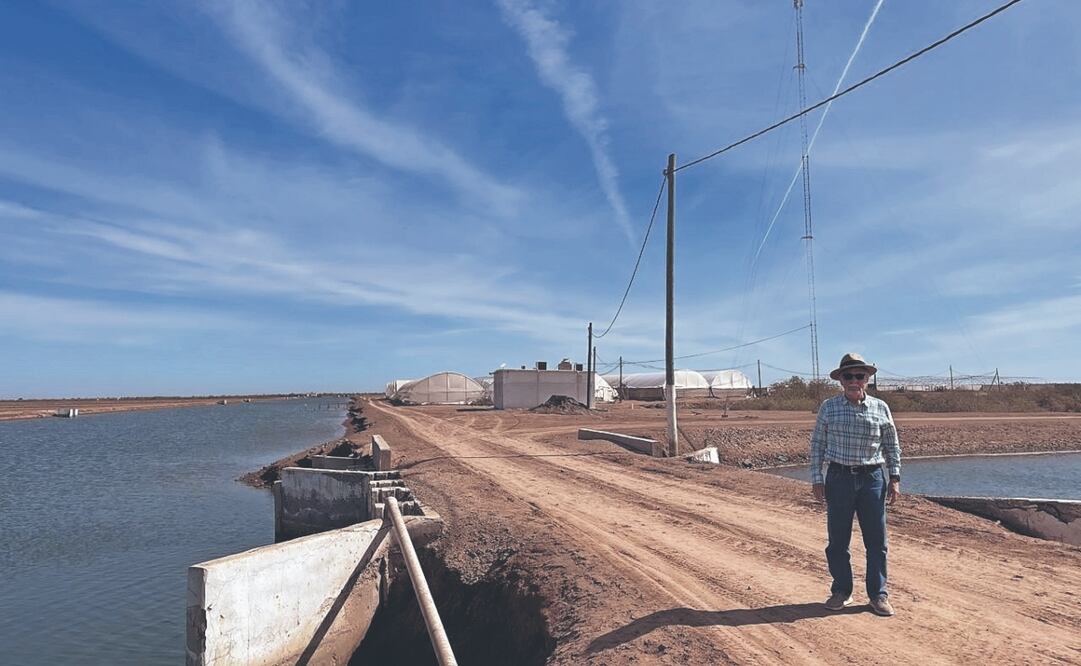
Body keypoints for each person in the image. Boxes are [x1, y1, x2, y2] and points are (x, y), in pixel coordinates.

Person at [810, 352, 901, 617]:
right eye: (848, 376)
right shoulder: (829, 407)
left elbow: (891, 445)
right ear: (841, 380)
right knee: (838, 541)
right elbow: (817, 445)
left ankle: (878, 595)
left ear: (868, 379)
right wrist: (817, 478)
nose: (854, 381)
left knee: (877, 541)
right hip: (838, 478)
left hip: (873, 479)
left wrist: (894, 478)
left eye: (859, 376)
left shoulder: (881, 408)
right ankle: (841, 591)